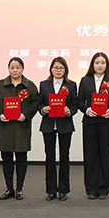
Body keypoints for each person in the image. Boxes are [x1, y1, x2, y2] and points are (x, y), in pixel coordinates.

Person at [0, 57, 39, 200]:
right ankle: (9, 188)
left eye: (18, 67)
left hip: (21, 126)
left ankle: (19, 189)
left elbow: (36, 103)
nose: (15, 70)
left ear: (23, 69)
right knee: (6, 158)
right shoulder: (0, 85)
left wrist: (26, 114)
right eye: (12, 67)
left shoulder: (29, 86)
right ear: (8, 69)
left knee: (22, 157)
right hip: (5, 127)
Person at [77, 52, 109, 200]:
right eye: (97, 63)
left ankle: (104, 189)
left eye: (102, 63)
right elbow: (79, 101)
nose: (100, 65)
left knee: (105, 155)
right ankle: (91, 188)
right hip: (90, 123)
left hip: (107, 123)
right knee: (90, 155)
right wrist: (87, 110)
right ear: (92, 65)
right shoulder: (85, 80)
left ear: (106, 65)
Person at [38, 57, 78, 201]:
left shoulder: (71, 85)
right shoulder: (44, 84)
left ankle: (63, 190)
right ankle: (51, 190)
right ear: (51, 69)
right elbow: (39, 104)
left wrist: (69, 111)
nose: (58, 70)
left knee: (64, 157)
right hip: (48, 125)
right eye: (55, 67)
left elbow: (75, 105)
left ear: (65, 70)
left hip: (65, 125)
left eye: (61, 67)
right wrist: (43, 109)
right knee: (50, 158)